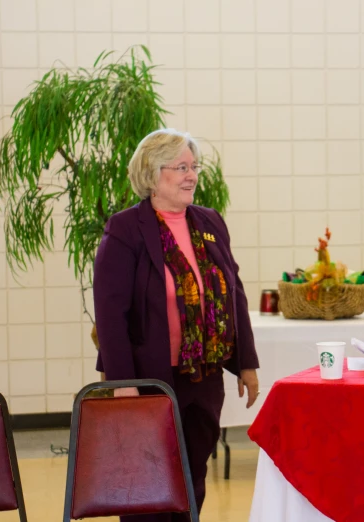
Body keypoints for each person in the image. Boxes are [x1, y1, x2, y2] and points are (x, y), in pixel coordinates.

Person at [93, 129, 260, 520]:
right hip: (148, 380)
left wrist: (246, 363)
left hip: (202, 377)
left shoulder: (210, 221)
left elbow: (233, 292)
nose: (192, 175)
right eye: (181, 168)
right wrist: (122, 385)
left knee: (192, 478)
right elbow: (110, 313)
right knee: (146, 483)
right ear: (153, 175)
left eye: (193, 166)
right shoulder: (125, 229)